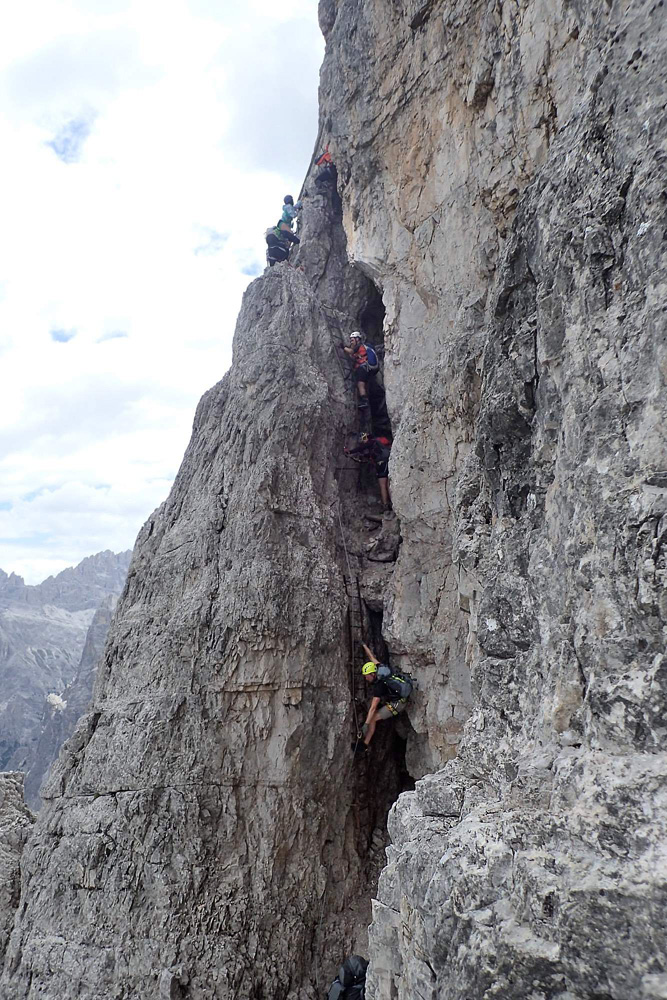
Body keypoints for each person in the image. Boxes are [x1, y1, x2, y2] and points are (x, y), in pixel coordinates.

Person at [356, 643, 412, 752]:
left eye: (367, 676)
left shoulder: (379, 685)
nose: (366, 679)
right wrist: (364, 646)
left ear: (372, 674)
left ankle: (364, 745)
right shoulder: (380, 668)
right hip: (398, 697)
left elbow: (373, 707)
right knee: (372, 717)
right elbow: (372, 657)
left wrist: (366, 724)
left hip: (398, 704)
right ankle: (365, 745)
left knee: (372, 718)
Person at [344, 432, 392, 511]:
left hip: (381, 465)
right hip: (387, 462)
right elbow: (369, 454)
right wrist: (361, 455)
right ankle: (392, 504)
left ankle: (386, 505)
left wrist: (350, 451)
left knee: (383, 485)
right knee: (388, 484)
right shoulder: (375, 444)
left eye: (364, 438)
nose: (364, 441)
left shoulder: (371, 442)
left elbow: (361, 448)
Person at [343, 332, 379, 409]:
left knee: (360, 384)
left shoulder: (358, 346)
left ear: (357, 339)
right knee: (363, 384)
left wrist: (343, 347)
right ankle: (364, 399)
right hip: (367, 368)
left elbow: (351, 351)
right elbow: (354, 356)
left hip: (363, 368)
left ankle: (364, 401)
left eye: (352, 340)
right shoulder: (361, 348)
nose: (351, 342)